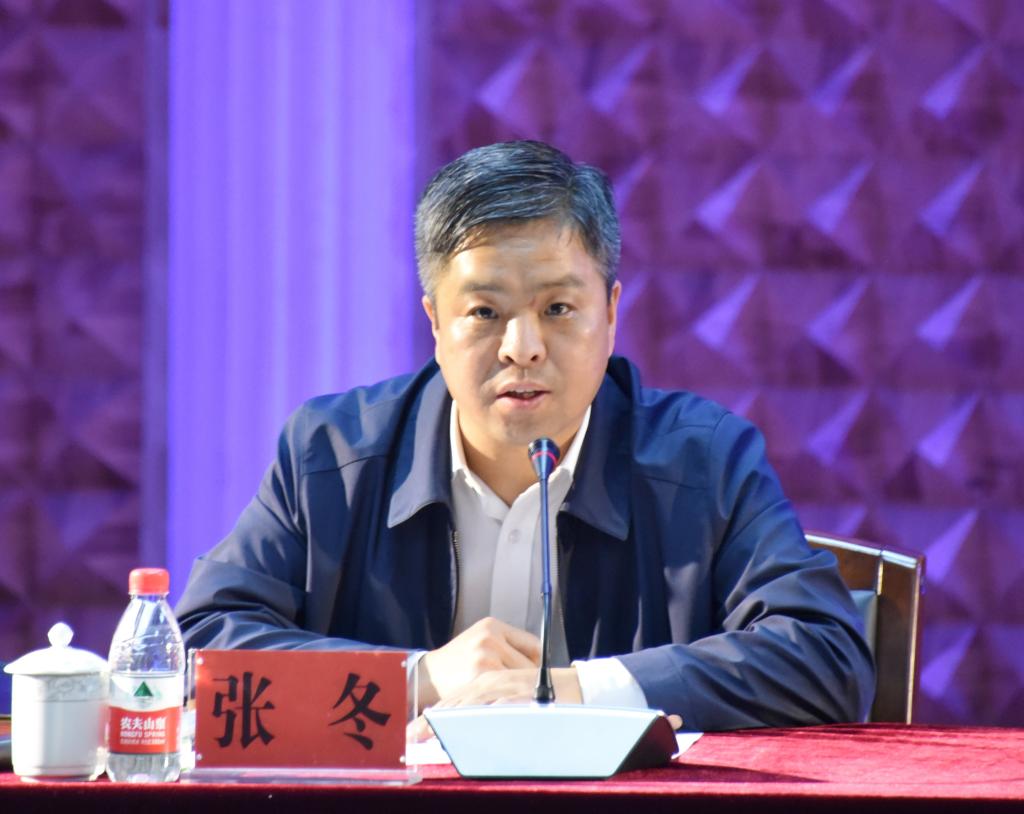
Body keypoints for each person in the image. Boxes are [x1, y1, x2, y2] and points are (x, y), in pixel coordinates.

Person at [175, 140, 875, 731]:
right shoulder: (330, 454)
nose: (523, 347)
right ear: (435, 323)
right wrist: (421, 678)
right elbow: (193, 655)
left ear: (611, 314)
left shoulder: (705, 461)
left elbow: (827, 658)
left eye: (559, 308)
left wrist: (572, 693)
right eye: (484, 312)